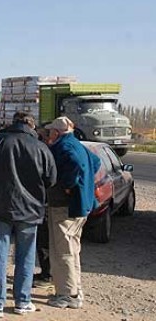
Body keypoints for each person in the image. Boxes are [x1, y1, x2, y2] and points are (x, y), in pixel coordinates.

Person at [0, 112, 57, 317]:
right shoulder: (40, 147)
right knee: (26, 256)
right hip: (30, 209)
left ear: (13, 122)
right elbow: (51, 178)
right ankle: (22, 301)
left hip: (0, 207)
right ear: (31, 125)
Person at [45, 116, 101, 309]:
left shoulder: (64, 147)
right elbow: (96, 161)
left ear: (56, 132)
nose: (48, 134)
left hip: (65, 206)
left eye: (50, 131)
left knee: (63, 252)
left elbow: (75, 163)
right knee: (73, 249)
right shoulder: (76, 143)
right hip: (81, 205)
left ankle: (67, 294)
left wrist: (69, 185)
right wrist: (84, 184)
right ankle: (75, 289)